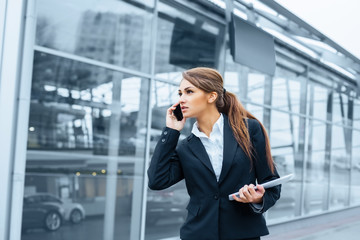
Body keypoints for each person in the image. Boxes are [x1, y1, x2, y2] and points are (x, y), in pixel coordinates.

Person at [147, 67, 281, 240]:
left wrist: (257, 199)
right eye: (180, 93)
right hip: (198, 234)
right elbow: (157, 180)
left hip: (243, 233)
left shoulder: (248, 130)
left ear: (211, 96)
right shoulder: (184, 147)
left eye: (189, 92)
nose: (181, 99)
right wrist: (171, 131)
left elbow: (272, 184)